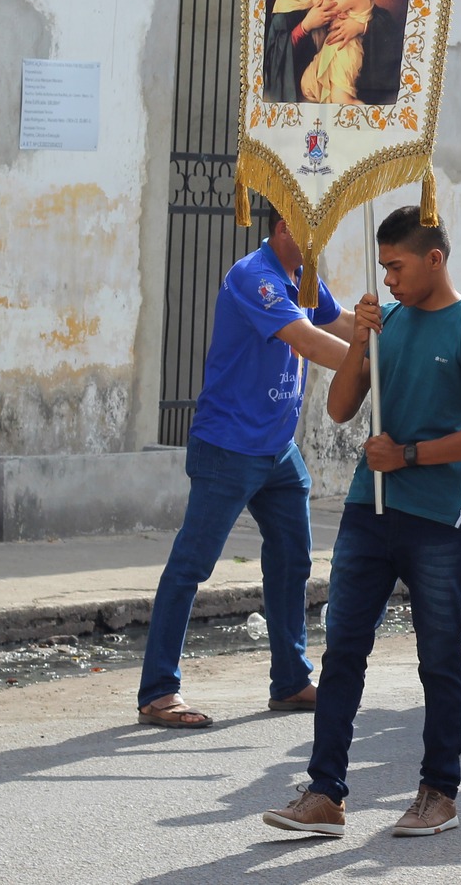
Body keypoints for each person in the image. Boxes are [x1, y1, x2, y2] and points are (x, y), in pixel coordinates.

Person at [263, 206, 461, 839]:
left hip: (435, 518)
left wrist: (409, 455)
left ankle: (438, 791)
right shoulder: (388, 322)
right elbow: (343, 409)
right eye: (383, 268)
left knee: (438, 660)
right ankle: (325, 793)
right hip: (366, 513)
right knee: (343, 649)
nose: (389, 280)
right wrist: (361, 346)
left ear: (435, 259)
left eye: (398, 267)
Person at [137, 204, 354, 729]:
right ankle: (158, 690)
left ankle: (290, 680)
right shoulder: (254, 277)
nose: (318, 248)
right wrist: (376, 363)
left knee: (292, 561)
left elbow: (339, 321)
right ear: (283, 229)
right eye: (311, 236)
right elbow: (307, 339)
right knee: (192, 565)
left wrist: (388, 328)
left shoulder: (302, 274)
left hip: (278, 447)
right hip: (230, 445)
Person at [299, 0, 384, 104]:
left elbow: (330, 9)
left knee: (342, 101)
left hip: (346, 52)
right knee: (307, 85)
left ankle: (369, 121)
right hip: (334, 49)